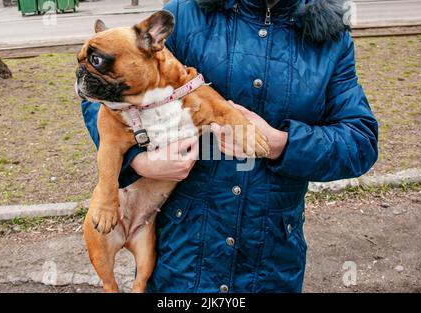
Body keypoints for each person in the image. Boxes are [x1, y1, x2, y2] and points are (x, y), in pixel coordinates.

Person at [81, 0, 378, 293]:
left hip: (270, 259)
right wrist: (138, 159)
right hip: (183, 256)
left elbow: (359, 140)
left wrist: (282, 144)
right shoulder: (187, 14)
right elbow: (103, 95)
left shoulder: (330, 37)